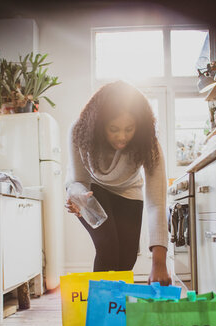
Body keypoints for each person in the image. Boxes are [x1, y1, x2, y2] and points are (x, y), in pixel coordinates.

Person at [65, 80, 171, 285]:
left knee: (127, 258)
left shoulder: (148, 142)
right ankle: (100, 313)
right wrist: (76, 196)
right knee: (108, 248)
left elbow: (156, 203)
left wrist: (159, 262)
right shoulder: (80, 131)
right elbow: (79, 181)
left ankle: (116, 309)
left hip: (128, 191)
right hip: (91, 191)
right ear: (99, 123)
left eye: (129, 129)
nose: (122, 137)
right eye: (114, 128)